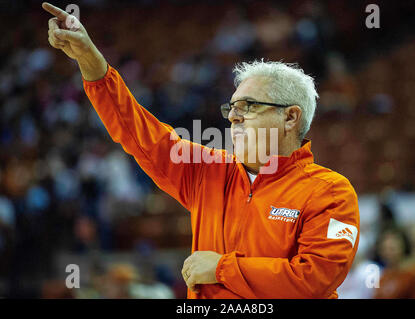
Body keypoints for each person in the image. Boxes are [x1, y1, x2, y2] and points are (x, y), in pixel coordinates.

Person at [43, 2, 360, 299]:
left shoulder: (331, 193)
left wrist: (220, 268)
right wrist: (89, 60)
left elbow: (315, 279)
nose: (234, 116)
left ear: (290, 116)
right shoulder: (207, 169)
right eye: (232, 107)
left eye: (249, 106)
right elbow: (138, 131)